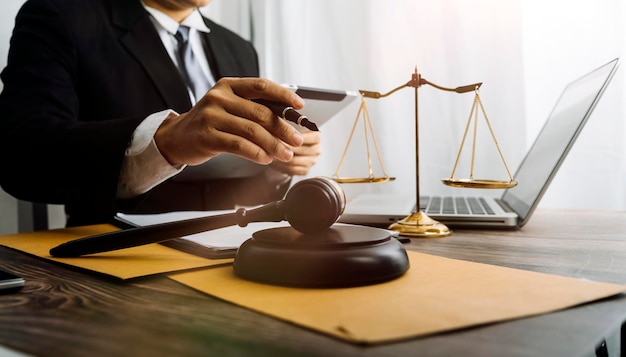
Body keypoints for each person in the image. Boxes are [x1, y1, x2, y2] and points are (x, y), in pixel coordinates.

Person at [0, 0, 322, 227]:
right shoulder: (59, 17)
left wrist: (277, 161)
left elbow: (238, 188)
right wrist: (163, 142)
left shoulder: (238, 48)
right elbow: (20, 156)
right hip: (118, 259)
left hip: (233, 249)